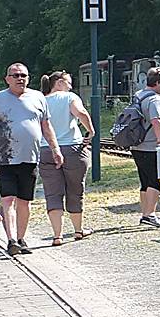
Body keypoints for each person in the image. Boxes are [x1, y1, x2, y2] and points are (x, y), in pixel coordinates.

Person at [0, 62, 60, 255]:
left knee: (25, 201)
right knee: (8, 198)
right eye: (15, 75)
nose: (20, 79)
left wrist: (55, 148)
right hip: (4, 158)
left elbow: (46, 126)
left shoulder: (38, 97)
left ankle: (21, 238)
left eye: (23, 75)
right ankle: (11, 240)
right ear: (7, 79)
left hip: (30, 157)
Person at [38, 71, 95, 244]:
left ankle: (57, 235)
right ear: (60, 82)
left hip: (46, 149)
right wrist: (91, 131)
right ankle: (78, 230)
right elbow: (81, 113)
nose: (71, 86)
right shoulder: (69, 97)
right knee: (75, 190)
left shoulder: (41, 100)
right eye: (69, 83)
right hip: (72, 148)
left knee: (52, 193)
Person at [130, 68, 160, 227]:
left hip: (137, 145)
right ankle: (150, 214)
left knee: (145, 181)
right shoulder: (155, 99)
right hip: (151, 146)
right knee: (155, 182)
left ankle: (145, 213)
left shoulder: (138, 95)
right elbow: (156, 121)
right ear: (157, 83)